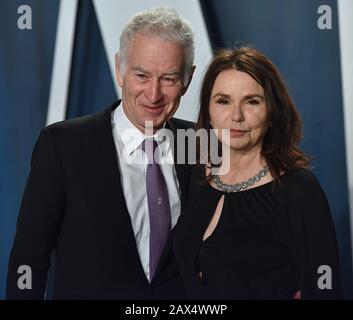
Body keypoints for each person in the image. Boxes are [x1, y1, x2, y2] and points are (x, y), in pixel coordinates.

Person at [7, 7, 195, 299]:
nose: (154, 93)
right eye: (142, 75)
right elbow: (29, 258)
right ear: (120, 69)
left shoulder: (200, 143)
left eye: (169, 78)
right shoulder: (63, 145)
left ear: (188, 78)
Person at [173, 47, 343, 299]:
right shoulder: (197, 179)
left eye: (251, 101)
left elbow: (325, 291)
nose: (236, 116)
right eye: (223, 101)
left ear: (273, 113)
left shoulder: (297, 190)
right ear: (208, 112)